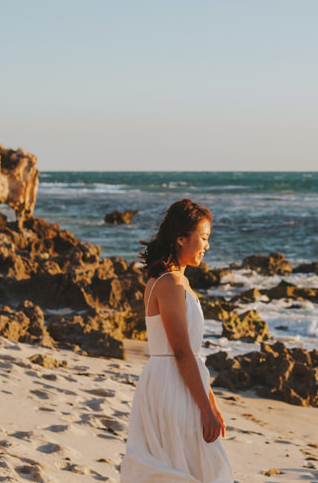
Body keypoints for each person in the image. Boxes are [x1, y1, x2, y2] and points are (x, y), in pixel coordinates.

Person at [120, 199, 233, 483]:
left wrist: (211, 401)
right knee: (183, 465)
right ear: (181, 239)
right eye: (203, 238)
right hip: (171, 385)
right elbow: (181, 352)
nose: (207, 246)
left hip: (181, 382)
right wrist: (205, 410)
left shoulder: (179, 281)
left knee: (192, 462)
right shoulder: (169, 283)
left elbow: (191, 354)